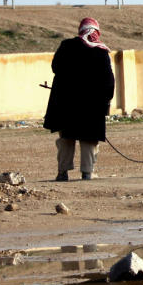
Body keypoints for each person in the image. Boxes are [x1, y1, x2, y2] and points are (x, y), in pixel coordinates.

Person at [44, 17, 115, 181]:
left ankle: (63, 172)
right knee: (89, 139)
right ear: (96, 32)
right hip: (92, 106)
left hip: (66, 104)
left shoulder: (66, 46)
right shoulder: (101, 51)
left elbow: (55, 68)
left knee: (66, 138)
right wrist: (106, 102)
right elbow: (109, 81)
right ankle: (87, 172)